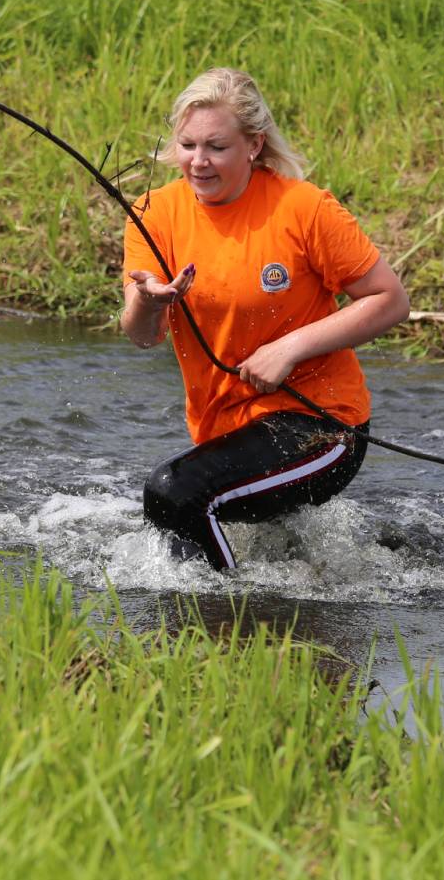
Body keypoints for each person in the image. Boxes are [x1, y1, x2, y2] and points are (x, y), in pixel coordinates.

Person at [120, 68, 410, 570]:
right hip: (226, 428)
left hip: (324, 426)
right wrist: (151, 300)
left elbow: (389, 299)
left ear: (253, 145)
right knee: (192, 503)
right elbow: (142, 336)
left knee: (176, 495)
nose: (198, 161)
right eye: (188, 145)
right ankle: (259, 610)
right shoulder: (154, 214)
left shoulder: (303, 209)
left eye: (216, 147)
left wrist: (288, 348)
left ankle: (218, 630)